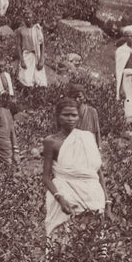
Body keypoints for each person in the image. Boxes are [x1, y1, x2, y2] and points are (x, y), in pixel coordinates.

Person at [42, 98, 105, 239]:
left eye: (74, 115)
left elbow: (97, 171)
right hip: (64, 193)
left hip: (92, 195)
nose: (70, 119)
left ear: (79, 117)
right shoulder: (51, 141)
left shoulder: (87, 137)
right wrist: (60, 199)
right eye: (66, 115)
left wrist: (107, 202)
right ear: (58, 116)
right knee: (62, 240)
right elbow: (46, 177)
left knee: (92, 240)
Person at [17, 14, 48, 88]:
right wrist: (22, 60)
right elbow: (19, 46)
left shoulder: (37, 29)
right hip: (27, 55)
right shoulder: (21, 30)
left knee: (39, 79)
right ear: (24, 19)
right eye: (26, 17)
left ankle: (39, 94)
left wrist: (41, 60)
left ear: (32, 18)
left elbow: (42, 45)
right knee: (25, 78)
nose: (28, 19)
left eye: (29, 17)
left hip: (36, 54)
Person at [70, 84, 101, 149]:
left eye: (79, 96)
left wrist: (99, 147)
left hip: (89, 148)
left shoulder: (92, 111)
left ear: (84, 97)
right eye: (74, 97)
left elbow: (97, 131)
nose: (77, 99)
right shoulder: (69, 113)